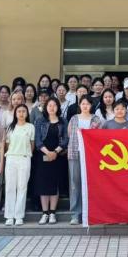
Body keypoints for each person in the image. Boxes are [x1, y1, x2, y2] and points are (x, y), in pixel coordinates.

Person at [67, 96, 102, 225]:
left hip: (91, 155)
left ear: (91, 105)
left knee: (90, 183)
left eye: (87, 103)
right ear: (79, 105)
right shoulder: (74, 118)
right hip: (75, 153)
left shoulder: (96, 119)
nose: (85, 106)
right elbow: (70, 134)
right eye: (83, 103)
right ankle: (75, 214)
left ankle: (90, 213)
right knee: (75, 184)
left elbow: (99, 136)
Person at [35, 98, 68, 225]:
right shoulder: (40, 121)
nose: (52, 107)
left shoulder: (63, 121)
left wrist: (55, 152)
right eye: (49, 105)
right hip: (43, 155)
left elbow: (65, 139)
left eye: (54, 105)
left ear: (58, 107)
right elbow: (38, 140)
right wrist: (47, 152)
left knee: (55, 184)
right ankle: (45, 213)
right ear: (46, 107)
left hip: (57, 156)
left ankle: (52, 212)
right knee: (43, 184)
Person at [3, 103, 34, 226]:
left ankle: (19, 216)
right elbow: (7, 145)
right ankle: (9, 216)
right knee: (10, 187)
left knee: (22, 187)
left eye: (23, 111)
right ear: (15, 113)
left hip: (24, 158)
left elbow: (32, 145)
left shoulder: (30, 127)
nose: (21, 113)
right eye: (19, 111)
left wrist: (26, 154)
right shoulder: (10, 128)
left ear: (27, 113)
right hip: (11, 158)